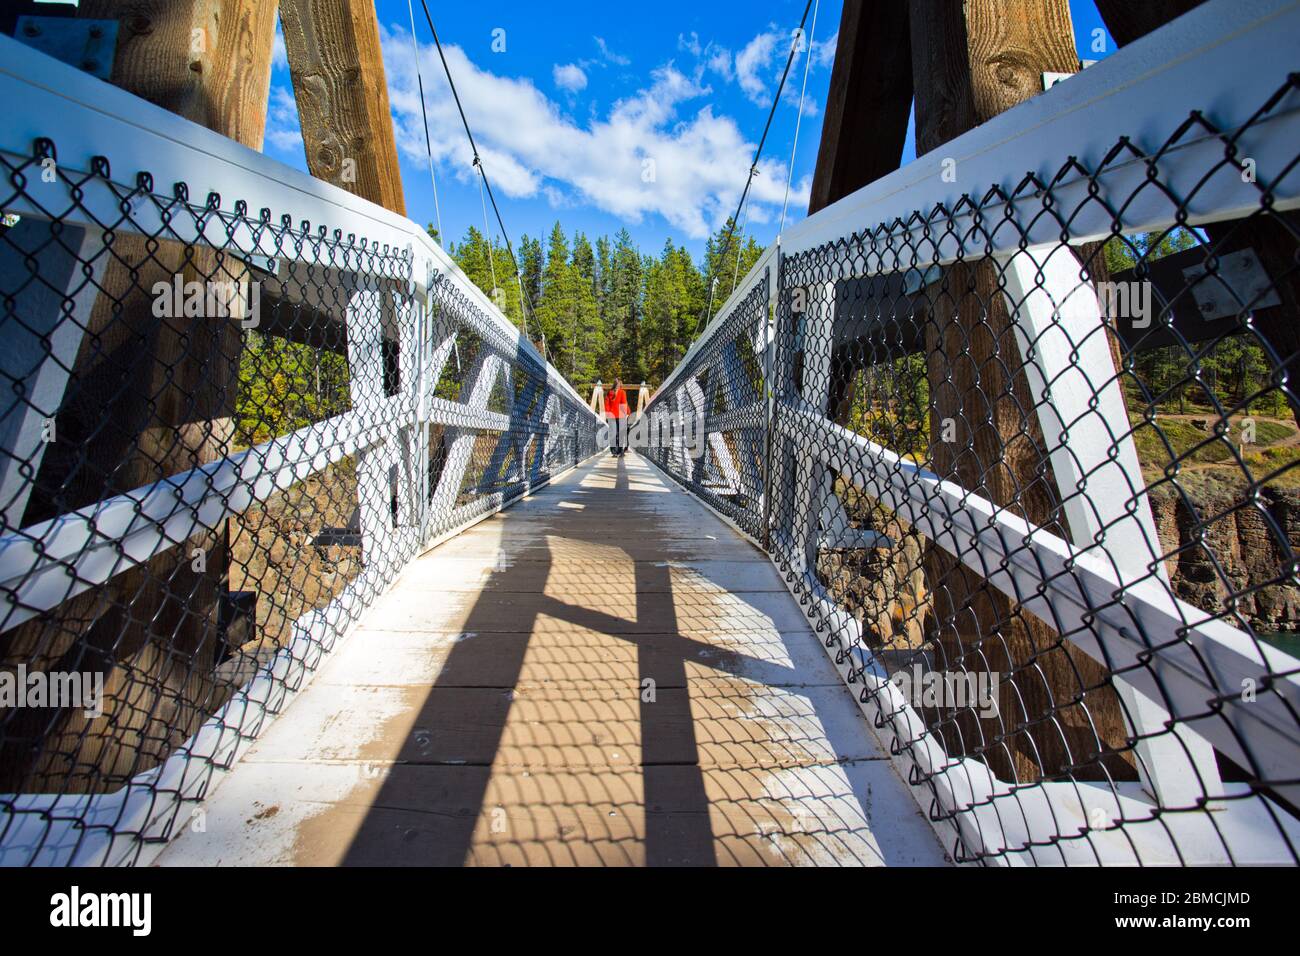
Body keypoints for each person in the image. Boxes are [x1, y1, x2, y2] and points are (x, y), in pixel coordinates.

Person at [604, 377, 630, 456]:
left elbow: (606, 405)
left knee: (613, 433)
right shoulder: (622, 392)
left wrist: (608, 414)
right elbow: (624, 404)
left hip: (611, 416)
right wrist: (627, 413)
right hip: (621, 416)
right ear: (620, 384)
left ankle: (614, 452)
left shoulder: (609, 392)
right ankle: (620, 451)